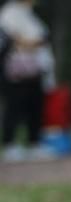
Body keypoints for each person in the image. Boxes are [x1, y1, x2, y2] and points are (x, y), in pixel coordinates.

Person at [0, 0, 50, 161]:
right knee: (15, 106)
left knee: (35, 106)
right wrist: (32, 44)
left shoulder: (31, 14)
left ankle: (33, 143)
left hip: (34, 69)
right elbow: (10, 38)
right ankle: (10, 145)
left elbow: (42, 38)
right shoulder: (10, 11)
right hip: (16, 70)